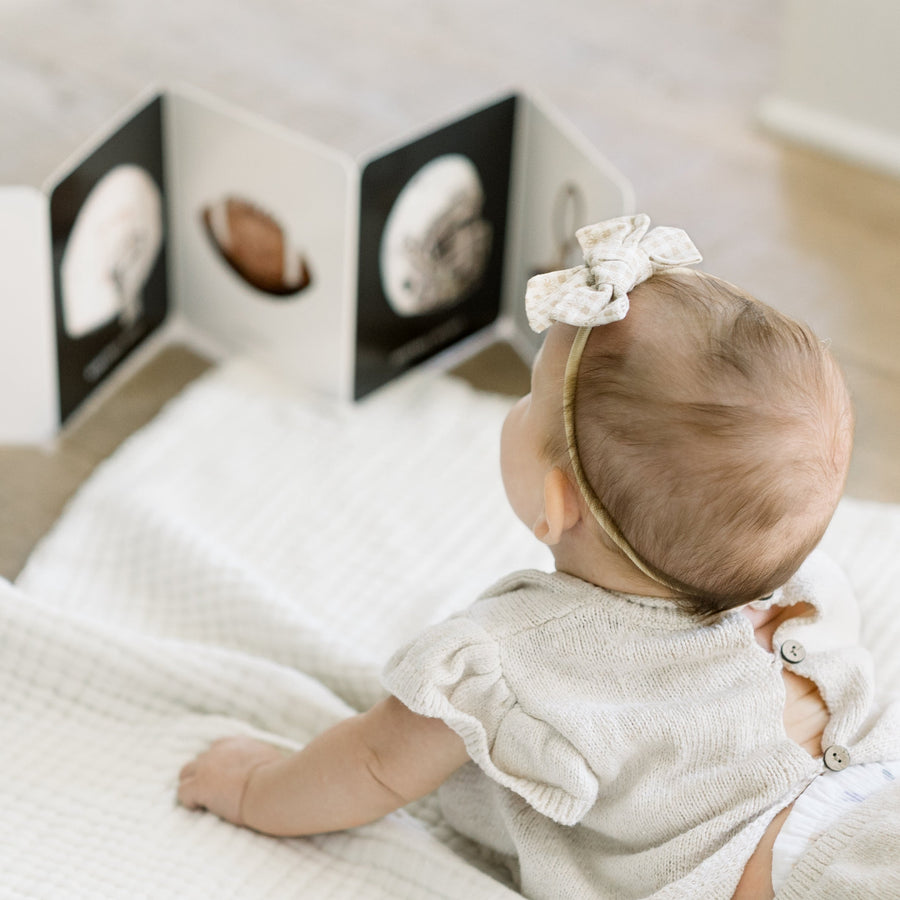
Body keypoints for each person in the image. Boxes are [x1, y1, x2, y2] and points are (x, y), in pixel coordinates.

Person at [177, 215, 900, 899]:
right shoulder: (808, 591)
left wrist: (251, 789)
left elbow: (370, 763)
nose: (516, 409)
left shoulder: (510, 661)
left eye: (530, 398)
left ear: (556, 506)